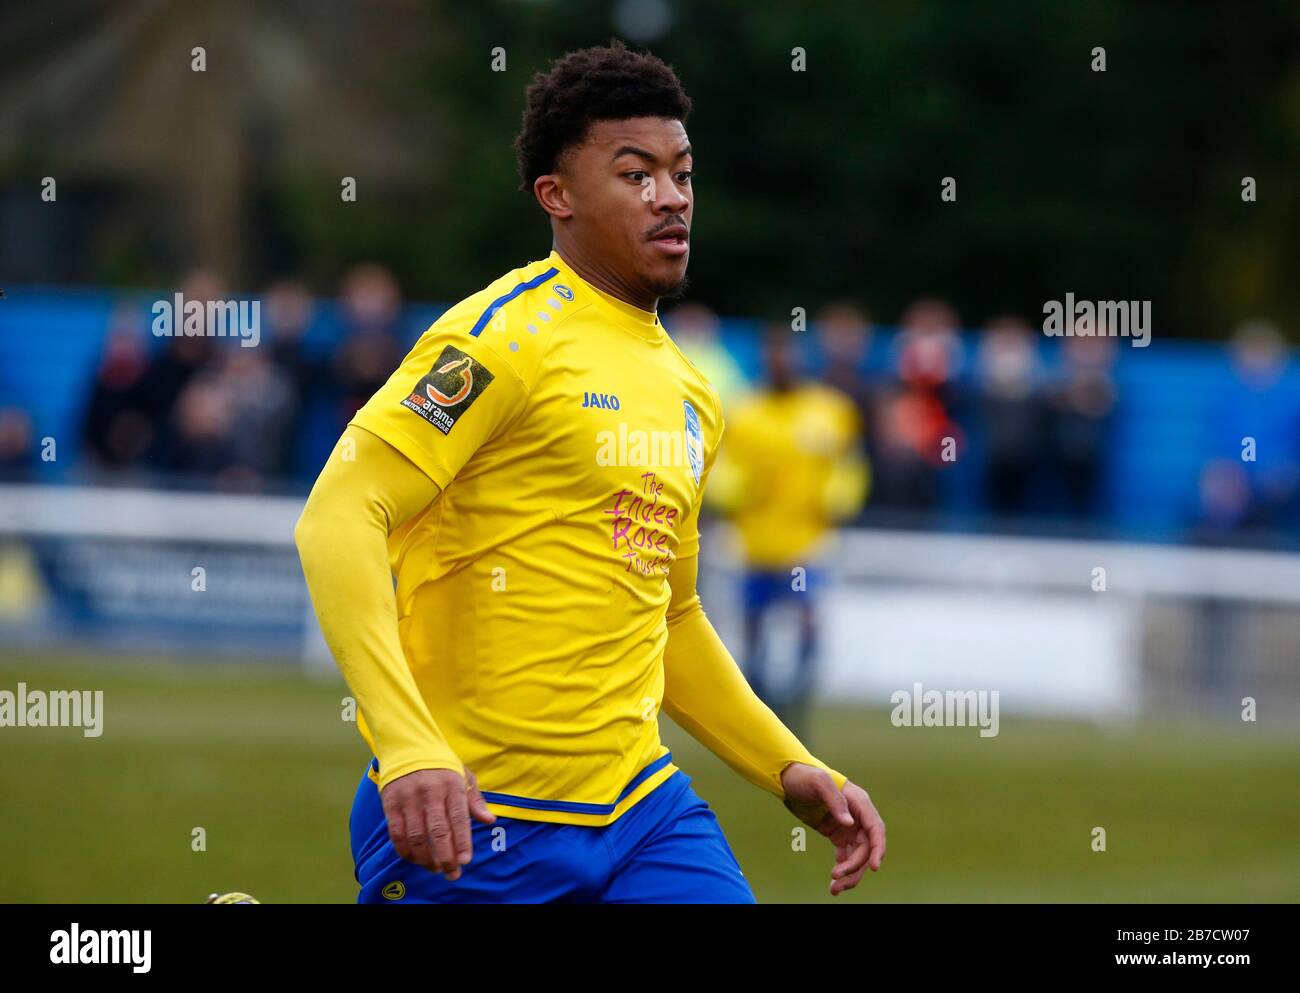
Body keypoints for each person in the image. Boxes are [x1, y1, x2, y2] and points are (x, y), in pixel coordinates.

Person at [295, 41, 884, 904]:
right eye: (637, 173)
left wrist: (786, 763)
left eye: (683, 172)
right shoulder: (500, 338)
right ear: (557, 196)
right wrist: (410, 745)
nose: (672, 196)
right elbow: (340, 517)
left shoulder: (692, 391)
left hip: (645, 811)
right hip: (477, 807)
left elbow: (673, 613)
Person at [713, 326, 867, 740]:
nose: (781, 365)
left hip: (808, 542)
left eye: (788, 357)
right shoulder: (743, 411)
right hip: (754, 542)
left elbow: (848, 466)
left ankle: (796, 702)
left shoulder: (829, 410)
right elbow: (719, 468)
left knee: (807, 620)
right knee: (753, 625)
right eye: (774, 358)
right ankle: (760, 703)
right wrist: (736, 491)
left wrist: (839, 499)